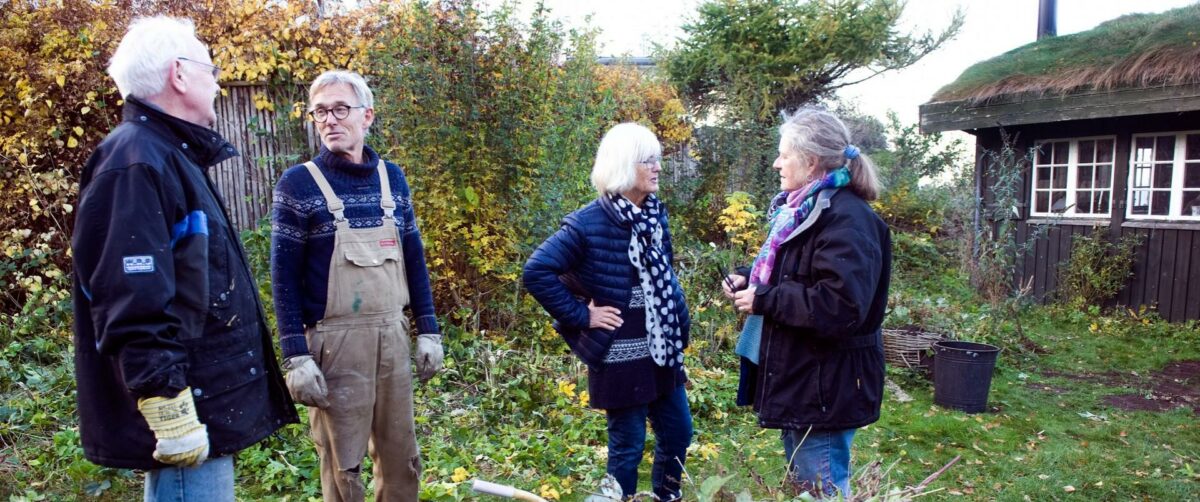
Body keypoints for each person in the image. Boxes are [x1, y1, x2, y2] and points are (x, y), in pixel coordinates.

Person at [71, 16, 299, 501]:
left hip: (206, 400)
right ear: (179, 74)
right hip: (188, 405)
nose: (217, 82)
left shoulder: (170, 156)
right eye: (210, 70)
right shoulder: (136, 164)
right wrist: (168, 408)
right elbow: (130, 301)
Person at [270, 70, 443, 502]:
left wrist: (429, 330)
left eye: (340, 109)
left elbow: (414, 260)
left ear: (367, 116)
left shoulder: (393, 179)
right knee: (343, 465)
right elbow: (283, 277)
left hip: (391, 335)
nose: (330, 120)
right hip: (333, 344)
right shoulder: (298, 184)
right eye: (321, 112)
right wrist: (296, 356)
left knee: (402, 458)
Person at [722, 108, 891, 498]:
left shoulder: (847, 218)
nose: (777, 163)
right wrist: (752, 277)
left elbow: (843, 306)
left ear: (811, 161)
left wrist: (765, 298)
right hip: (807, 378)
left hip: (825, 386)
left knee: (822, 489)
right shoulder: (806, 207)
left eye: (785, 154)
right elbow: (802, 269)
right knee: (808, 484)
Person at [523, 123, 693, 501]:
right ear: (622, 165)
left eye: (658, 158)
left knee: (679, 433)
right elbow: (537, 272)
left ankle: (668, 496)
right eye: (647, 160)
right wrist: (584, 315)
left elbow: (662, 278)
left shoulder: (653, 216)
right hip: (620, 356)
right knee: (628, 446)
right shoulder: (587, 222)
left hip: (661, 351)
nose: (658, 167)